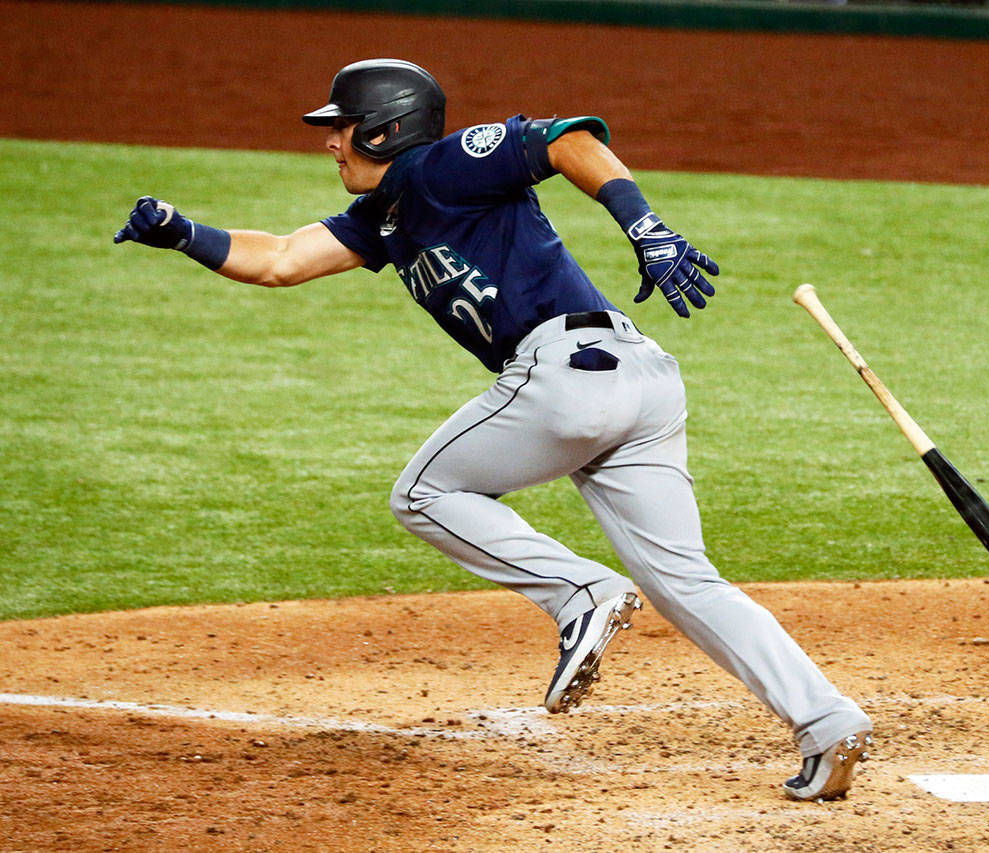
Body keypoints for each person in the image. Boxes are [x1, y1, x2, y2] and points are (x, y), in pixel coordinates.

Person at [114, 58, 872, 801]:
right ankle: (826, 720)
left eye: (340, 127)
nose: (329, 141)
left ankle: (580, 590)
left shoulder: (445, 166)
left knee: (422, 492)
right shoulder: (383, 218)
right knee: (686, 582)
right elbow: (280, 258)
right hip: (640, 383)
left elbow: (569, 138)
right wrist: (183, 233)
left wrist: (647, 226)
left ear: (384, 130)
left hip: (568, 374)